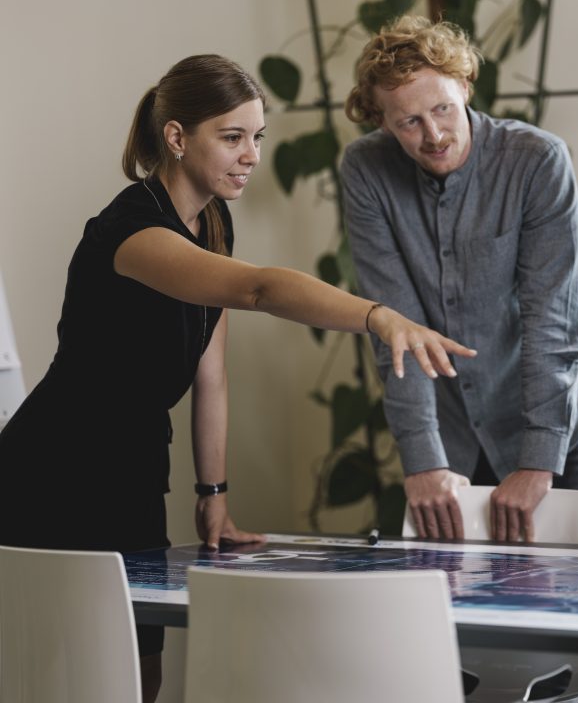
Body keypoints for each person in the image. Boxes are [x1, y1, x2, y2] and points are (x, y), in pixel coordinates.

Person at [0, 53, 474, 703]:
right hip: (52, 472)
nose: (250, 155)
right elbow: (256, 289)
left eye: (257, 137)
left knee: (146, 675)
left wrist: (213, 493)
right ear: (176, 137)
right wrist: (378, 317)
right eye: (232, 137)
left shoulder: (214, 222)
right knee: (70, 679)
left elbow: (211, 373)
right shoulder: (131, 230)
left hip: (133, 469)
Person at [341, 16, 578, 543]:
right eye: (408, 122)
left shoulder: (536, 161)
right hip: (446, 450)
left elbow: (554, 322)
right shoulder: (365, 170)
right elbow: (396, 327)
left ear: (464, 85)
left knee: (555, 615)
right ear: (382, 123)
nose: (433, 135)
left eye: (441, 109)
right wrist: (421, 461)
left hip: (543, 437)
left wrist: (538, 460)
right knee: (449, 616)